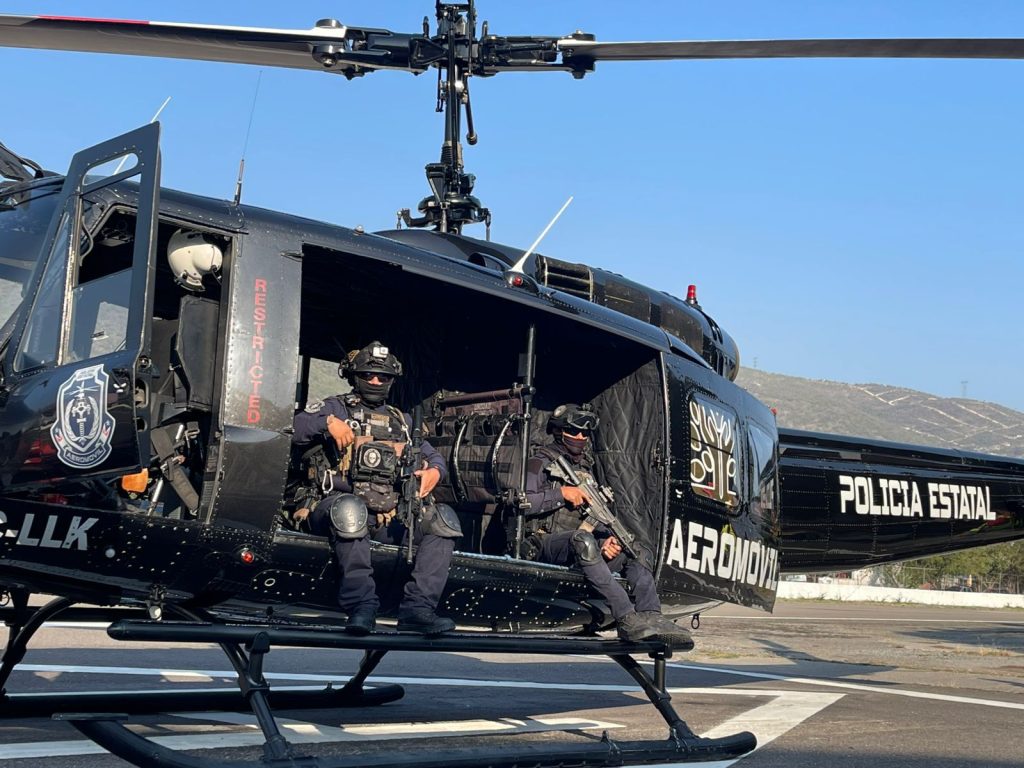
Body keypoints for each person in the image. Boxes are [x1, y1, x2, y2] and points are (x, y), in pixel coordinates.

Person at [291, 341, 462, 636]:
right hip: (333, 507)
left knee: (443, 520)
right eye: (367, 375)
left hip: (386, 515)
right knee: (350, 511)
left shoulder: (402, 421)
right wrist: (328, 422)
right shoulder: (335, 407)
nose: (374, 381)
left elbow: (433, 456)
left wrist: (435, 470)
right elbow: (294, 426)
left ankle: (418, 609)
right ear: (353, 376)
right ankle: (362, 607)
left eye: (383, 377)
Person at [524, 403, 690, 644]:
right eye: (574, 431)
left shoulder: (585, 470)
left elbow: (594, 516)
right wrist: (561, 494)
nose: (580, 437)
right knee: (583, 541)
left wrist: (606, 542)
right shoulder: (539, 462)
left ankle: (651, 615)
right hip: (543, 543)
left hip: (579, 545)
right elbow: (524, 502)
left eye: (585, 433)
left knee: (636, 550)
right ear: (559, 431)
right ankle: (626, 618)